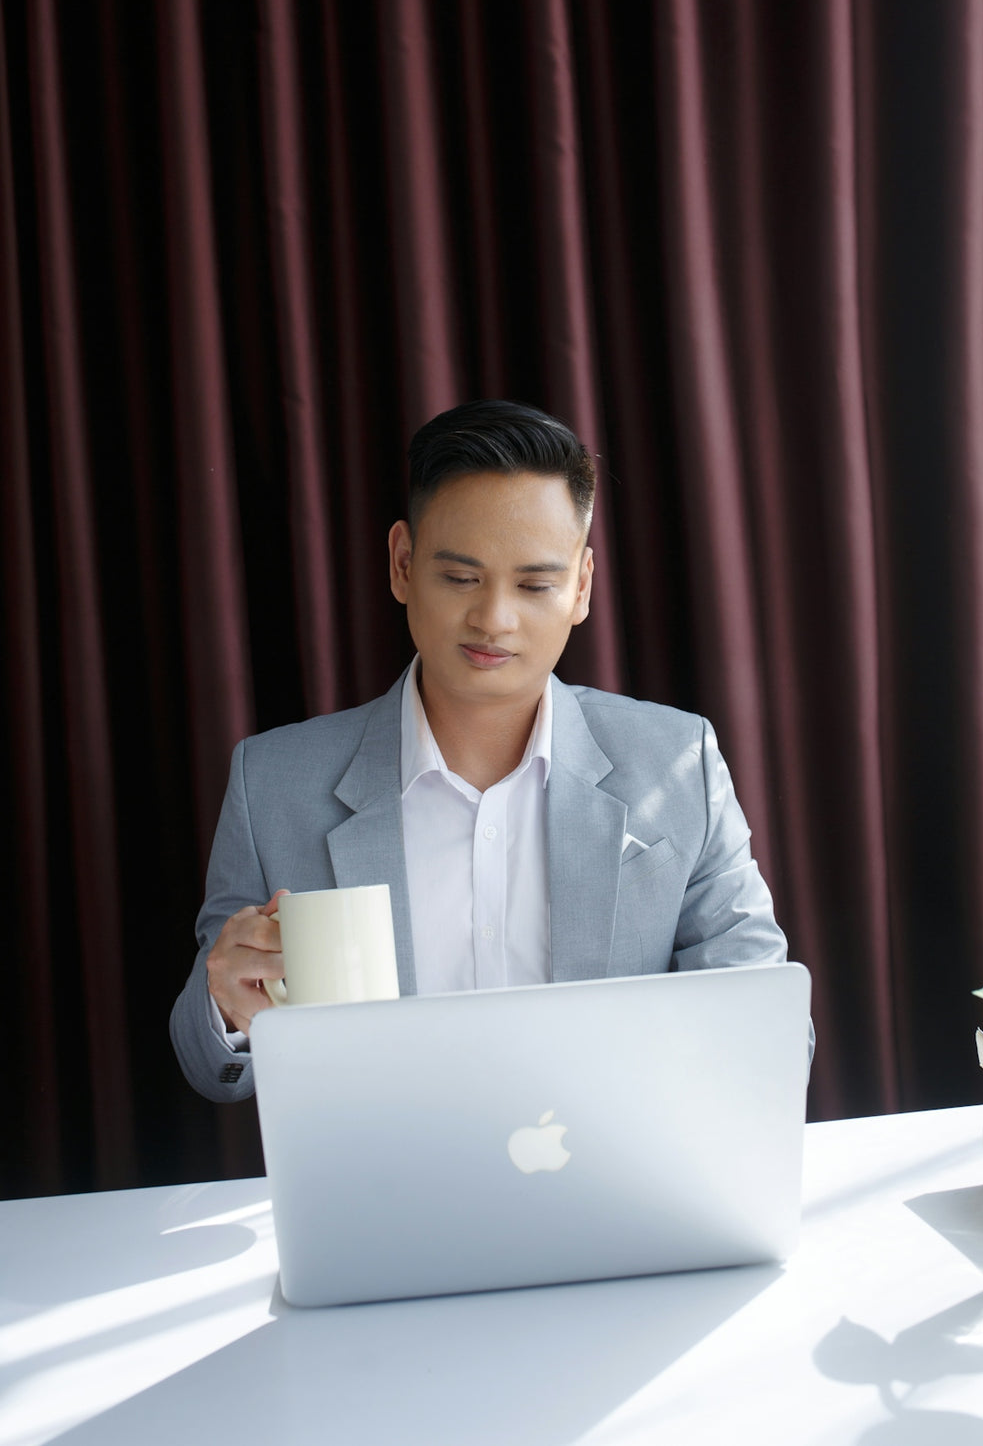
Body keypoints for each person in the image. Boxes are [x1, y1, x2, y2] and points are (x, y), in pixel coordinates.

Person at [171, 400, 806, 1102]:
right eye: (461, 578)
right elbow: (215, 1072)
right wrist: (227, 1006)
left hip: (620, 1187)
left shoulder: (677, 762)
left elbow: (772, 1029)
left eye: (535, 585)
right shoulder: (276, 782)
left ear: (582, 587)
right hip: (381, 1194)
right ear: (403, 564)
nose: (494, 620)